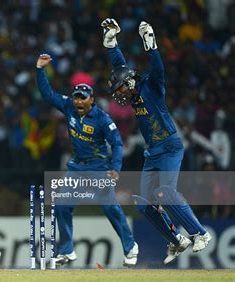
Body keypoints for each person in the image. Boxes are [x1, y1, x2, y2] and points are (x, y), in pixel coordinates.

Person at [101, 18, 211, 264]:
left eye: (120, 89)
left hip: (170, 146)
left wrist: (149, 42)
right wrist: (111, 42)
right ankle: (176, 240)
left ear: (129, 83)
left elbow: (158, 66)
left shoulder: (153, 87)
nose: (119, 95)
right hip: (152, 152)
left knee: (166, 192)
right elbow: (119, 66)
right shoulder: (130, 86)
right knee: (143, 205)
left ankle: (200, 233)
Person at [36, 54, 139, 266]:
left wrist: (116, 168)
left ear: (91, 100)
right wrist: (40, 70)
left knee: (110, 208)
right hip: (77, 168)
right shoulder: (68, 107)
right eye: (76, 97)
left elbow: (118, 143)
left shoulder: (102, 118)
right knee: (63, 206)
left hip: (99, 168)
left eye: (83, 97)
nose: (78, 101)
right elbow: (48, 94)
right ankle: (67, 251)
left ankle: (130, 247)